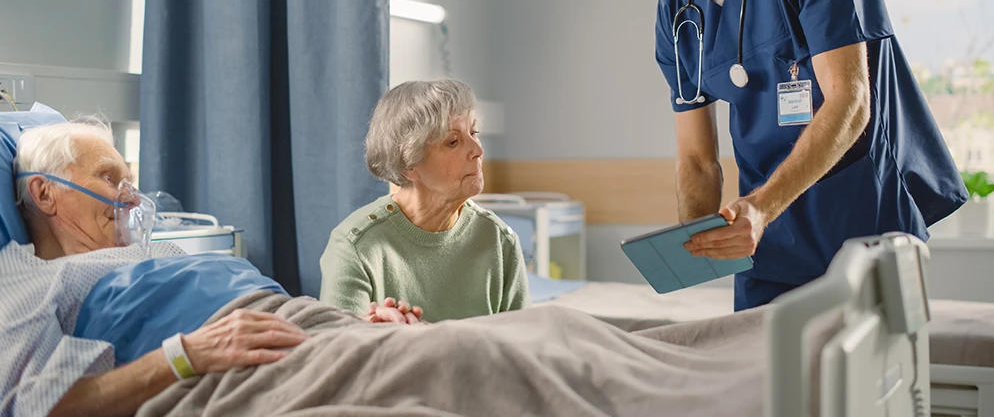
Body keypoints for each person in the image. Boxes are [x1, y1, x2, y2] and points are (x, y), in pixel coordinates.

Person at [1, 121, 767, 417]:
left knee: (552, 330)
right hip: (218, 368)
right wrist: (184, 355)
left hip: (299, 329)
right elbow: (37, 406)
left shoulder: (144, 250)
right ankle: (767, 380)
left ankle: (766, 349)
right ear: (43, 192)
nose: (131, 194)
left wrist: (351, 321)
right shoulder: (26, 281)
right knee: (482, 357)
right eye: (109, 178)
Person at [592, 0, 967, 310]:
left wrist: (762, 208)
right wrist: (698, 246)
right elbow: (697, 160)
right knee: (763, 377)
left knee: (870, 373)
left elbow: (851, 104)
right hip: (767, 241)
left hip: (862, 219)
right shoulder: (677, 17)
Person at [319, 78, 530, 321]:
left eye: (474, 133)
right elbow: (337, 348)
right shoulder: (355, 246)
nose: (478, 150)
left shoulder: (500, 242)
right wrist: (371, 332)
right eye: (453, 141)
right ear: (410, 164)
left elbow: (522, 348)